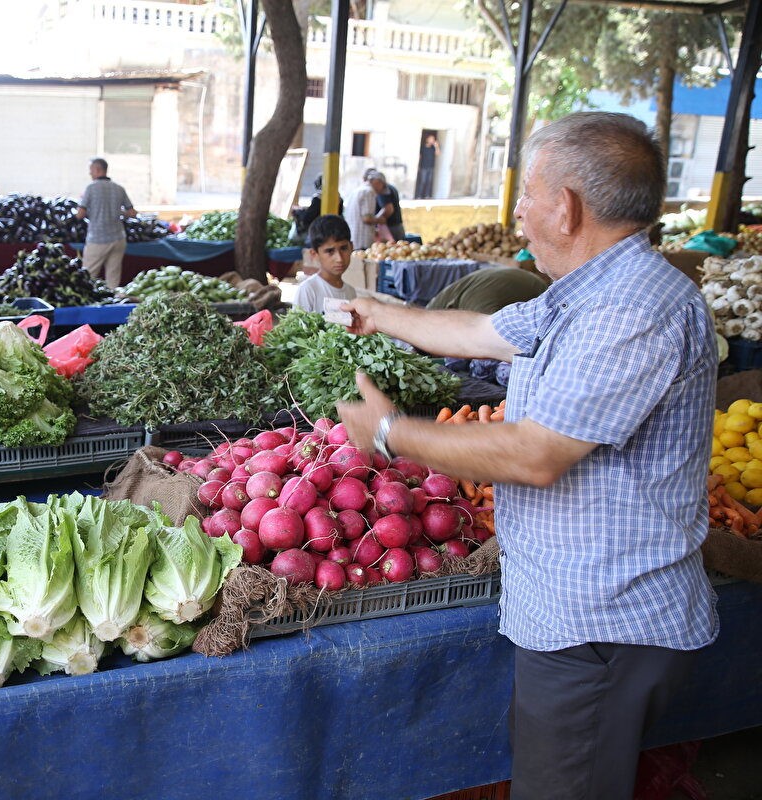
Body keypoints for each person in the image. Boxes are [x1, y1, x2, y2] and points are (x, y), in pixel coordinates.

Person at [337, 112, 718, 799]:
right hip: (577, 616)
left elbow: (538, 453)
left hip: (604, 624)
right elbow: (484, 330)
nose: (518, 215)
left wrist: (393, 434)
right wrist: (377, 313)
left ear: (566, 207)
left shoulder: (633, 309)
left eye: (528, 197)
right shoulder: (585, 293)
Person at [75, 157, 136, 289]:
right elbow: (132, 213)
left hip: (97, 239)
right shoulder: (119, 188)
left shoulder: (91, 188)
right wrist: (118, 212)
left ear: (97, 170)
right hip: (118, 239)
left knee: (88, 277)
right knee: (113, 280)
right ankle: (112, 304)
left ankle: (89, 307)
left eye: (91, 170)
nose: (90, 173)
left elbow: (79, 215)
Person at [293, 214, 356, 313]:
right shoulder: (308, 290)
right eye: (330, 251)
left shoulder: (351, 292)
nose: (339, 259)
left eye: (343, 248)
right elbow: (296, 327)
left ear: (351, 247)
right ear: (314, 254)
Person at [425, 266, 548, 315]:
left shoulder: (477, 302)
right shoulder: (470, 297)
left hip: (536, 292)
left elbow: (488, 334)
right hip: (529, 284)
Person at [293, 174, 342, 243]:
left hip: (319, 233)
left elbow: (307, 217)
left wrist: (300, 212)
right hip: (335, 232)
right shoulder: (339, 198)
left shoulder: (318, 198)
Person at [362, 172, 405, 241]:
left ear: (378, 182)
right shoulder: (391, 187)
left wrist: (378, 219)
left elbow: (388, 209)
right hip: (397, 225)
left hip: (390, 227)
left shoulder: (381, 190)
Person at [343, 168, 379, 251]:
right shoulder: (369, 192)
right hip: (362, 240)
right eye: (382, 186)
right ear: (377, 182)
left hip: (352, 237)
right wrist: (380, 220)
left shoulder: (356, 191)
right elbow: (367, 218)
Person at [415, 133, 440, 199]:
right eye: (431, 139)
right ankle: (419, 196)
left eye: (433, 139)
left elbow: (438, 154)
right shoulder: (423, 148)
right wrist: (418, 166)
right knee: (423, 182)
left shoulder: (433, 148)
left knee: (429, 182)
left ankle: (427, 196)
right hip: (423, 167)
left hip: (431, 167)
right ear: (427, 139)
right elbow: (419, 157)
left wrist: (436, 146)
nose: (432, 140)